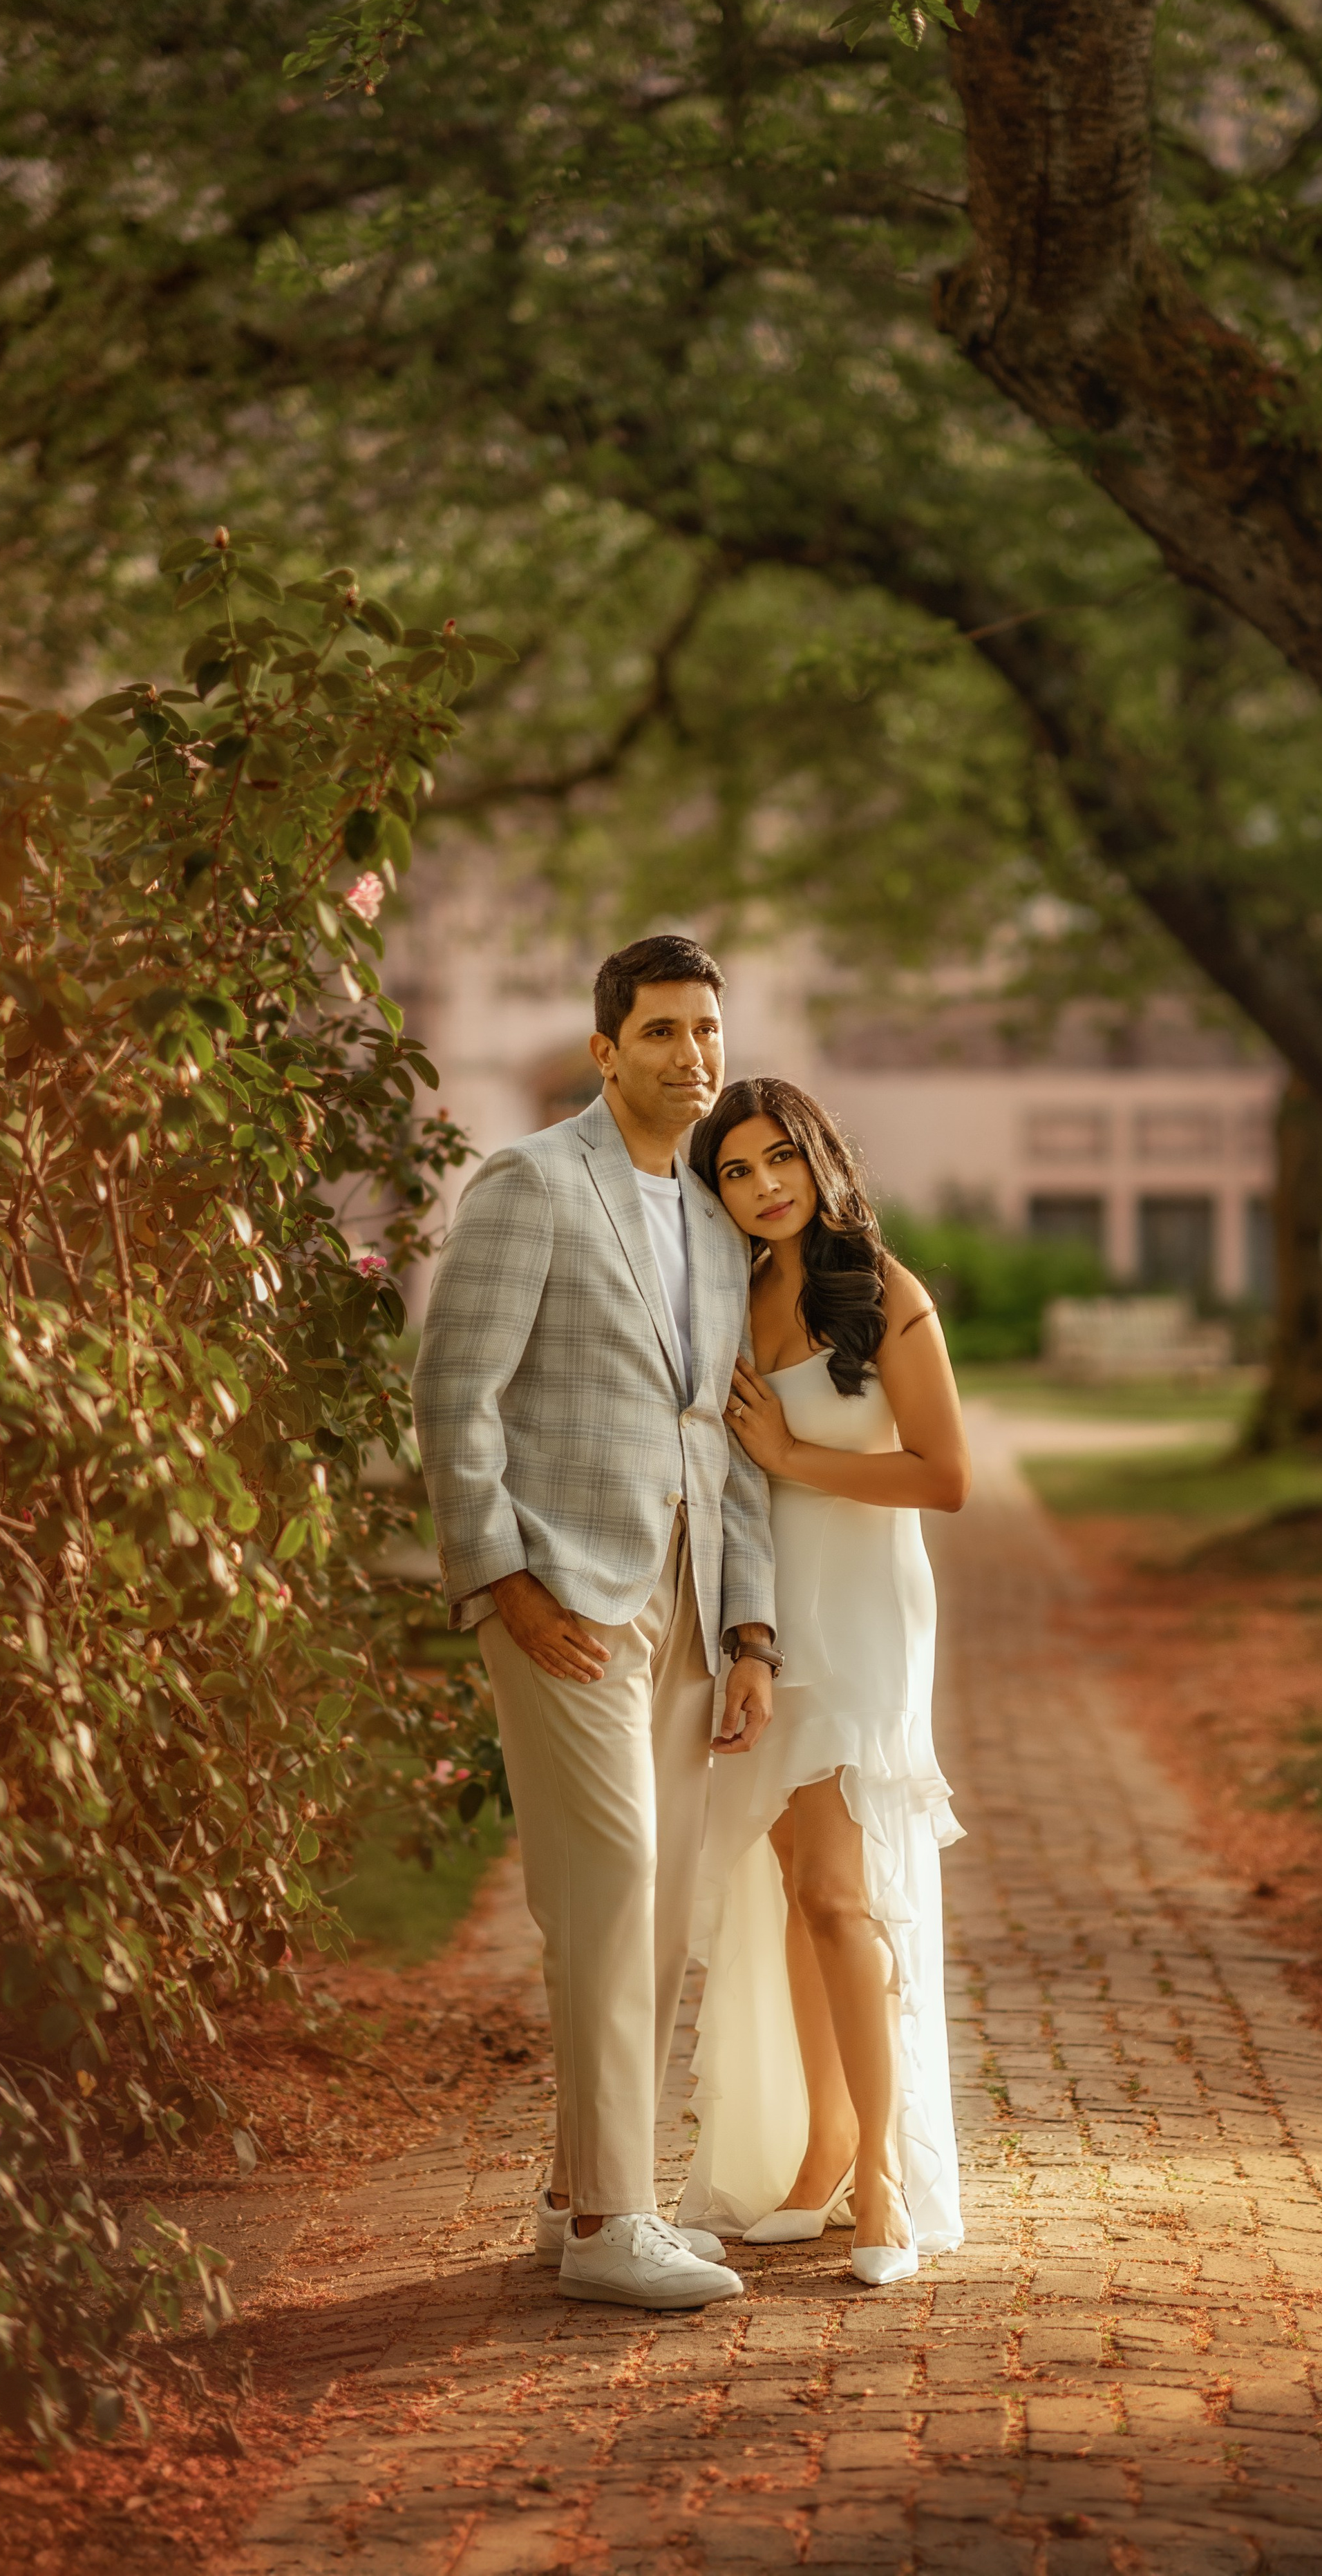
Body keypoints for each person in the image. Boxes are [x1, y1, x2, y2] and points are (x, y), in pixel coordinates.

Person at [411, 937, 782, 2311]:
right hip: (562, 1597)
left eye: (708, 1029)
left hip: (686, 1594)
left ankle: (583, 2194)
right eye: (663, 1031)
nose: (693, 1055)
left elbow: (725, 1436)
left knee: (660, 1907)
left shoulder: (714, 1218)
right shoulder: (531, 1184)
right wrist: (503, 1581)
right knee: (611, 1884)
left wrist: (749, 1632)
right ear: (605, 1050)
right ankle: (614, 2224)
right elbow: (453, 1395)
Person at [677, 1078, 970, 2285]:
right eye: (737, 1171)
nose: (765, 1187)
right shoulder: (726, 1299)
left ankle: (884, 2181)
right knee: (800, 1885)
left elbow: (945, 1477)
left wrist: (794, 1455)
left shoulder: (884, 1294)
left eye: (781, 1159)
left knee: (842, 1896)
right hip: (764, 1622)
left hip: (864, 1617)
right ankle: (823, 2153)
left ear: (822, 1158)